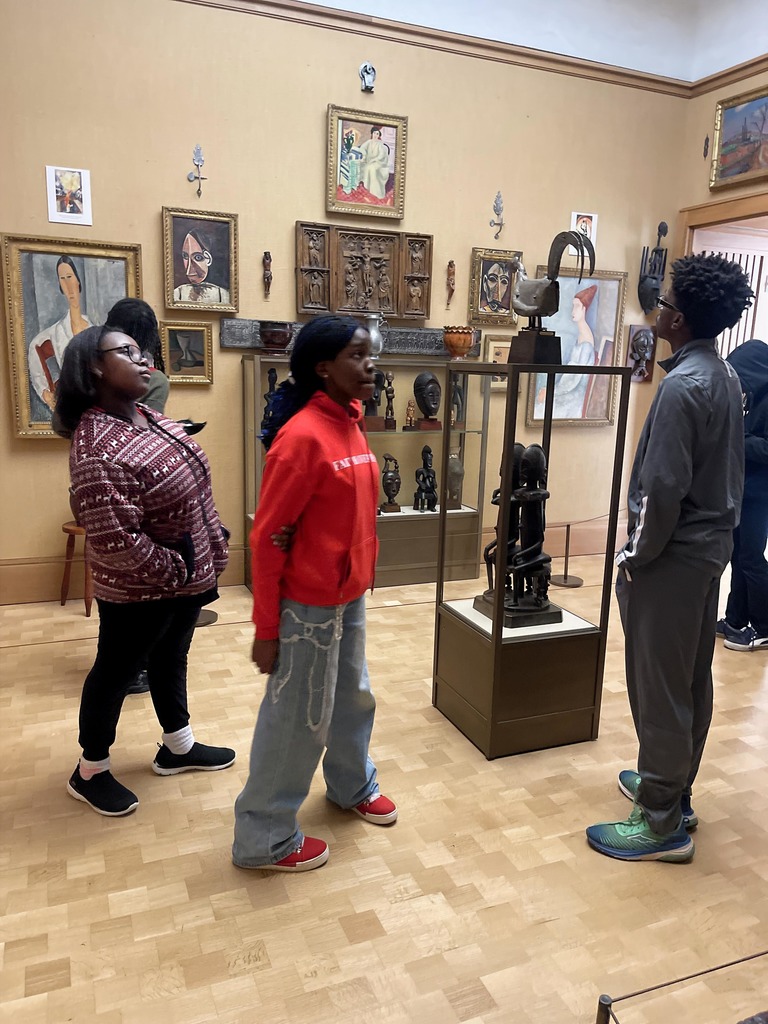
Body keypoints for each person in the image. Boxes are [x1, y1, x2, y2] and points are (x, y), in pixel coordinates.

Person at [586, 254, 753, 862]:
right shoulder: (723, 375)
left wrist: (634, 558)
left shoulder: (685, 386)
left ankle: (660, 821)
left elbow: (661, 490)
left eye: (664, 299)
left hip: (672, 559)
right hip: (707, 555)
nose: (655, 305)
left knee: (659, 688)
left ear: (677, 318)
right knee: (689, 678)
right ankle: (674, 790)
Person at [232, 315, 397, 872]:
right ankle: (264, 835)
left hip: (347, 594)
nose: (369, 363)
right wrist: (267, 629)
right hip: (307, 607)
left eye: (368, 353)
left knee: (353, 696)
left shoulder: (350, 422)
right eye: (356, 355)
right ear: (323, 367)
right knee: (298, 718)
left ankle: (351, 784)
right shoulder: (300, 437)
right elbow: (266, 537)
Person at [53, 325, 235, 816]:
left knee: (171, 659)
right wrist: (177, 568)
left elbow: (193, 478)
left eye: (141, 351)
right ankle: (89, 770)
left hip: (183, 577)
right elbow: (115, 540)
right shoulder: (95, 445)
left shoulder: (146, 416)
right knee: (114, 673)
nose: (142, 359)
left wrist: (213, 536)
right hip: (142, 590)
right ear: (94, 366)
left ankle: (178, 746)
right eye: (126, 352)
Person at [717, 338, 768, 652]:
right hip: (743, 487)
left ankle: (764, 626)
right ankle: (735, 620)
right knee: (739, 556)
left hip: (760, 494)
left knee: (750, 558)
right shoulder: (755, 395)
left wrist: (738, 436)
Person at [28, 255, 93, 414]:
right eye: (62, 279)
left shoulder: (95, 330)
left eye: (70, 277)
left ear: (78, 280)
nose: (68, 285)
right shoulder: (54, 333)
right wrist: (46, 394)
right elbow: (34, 347)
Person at [173, 227, 231, 304]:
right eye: (185, 256)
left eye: (197, 257)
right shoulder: (178, 293)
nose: (189, 269)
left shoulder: (224, 295)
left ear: (208, 259)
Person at [358, 126, 390, 200]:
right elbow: (362, 148)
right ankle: (368, 188)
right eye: (375, 133)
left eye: (377, 134)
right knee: (366, 167)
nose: (376, 135)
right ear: (372, 134)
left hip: (379, 163)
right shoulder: (369, 142)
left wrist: (374, 160)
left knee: (372, 168)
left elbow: (381, 155)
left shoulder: (380, 144)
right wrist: (364, 155)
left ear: (379, 135)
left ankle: (377, 192)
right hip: (370, 162)